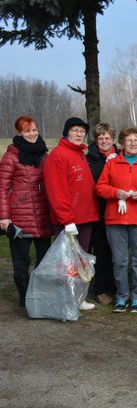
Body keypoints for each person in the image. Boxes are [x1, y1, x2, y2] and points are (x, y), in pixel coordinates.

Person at [95, 127, 137, 313]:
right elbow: (100, 187)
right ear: (122, 143)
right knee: (120, 261)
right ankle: (122, 296)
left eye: (136, 140)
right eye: (128, 140)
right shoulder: (112, 163)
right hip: (115, 219)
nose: (133, 143)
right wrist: (116, 192)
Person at [43, 117, 100, 311]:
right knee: (66, 263)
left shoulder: (79, 153)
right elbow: (56, 191)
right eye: (75, 130)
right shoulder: (58, 155)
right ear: (66, 132)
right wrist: (66, 220)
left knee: (80, 262)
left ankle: (77, 298)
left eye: (82, 130)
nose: (79, 134)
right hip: (70, 221)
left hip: (86, 218)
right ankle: (65, 300)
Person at [0, 116, 52, 307]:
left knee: (45, 260)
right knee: (21, 263)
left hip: (43, 214)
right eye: (27, 130)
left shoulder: (44, 154)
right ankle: (24, 295)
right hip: (20, 216)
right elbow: (2, 188)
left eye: (34, 130)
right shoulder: (11, 156)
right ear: (19, 133)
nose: (32, 134)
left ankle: (38, 293)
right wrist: (4, 217)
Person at [86, 123, 118, 305]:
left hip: (117, 210)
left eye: (107, 137)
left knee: (115, 252)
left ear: (113, 139)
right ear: (96, 140)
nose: (104, 141)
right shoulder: (89, 159)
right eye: (100, 138)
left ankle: (113, 286)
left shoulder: (121, 156)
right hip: (96, 211)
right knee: (100, 252)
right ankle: (100, 288)